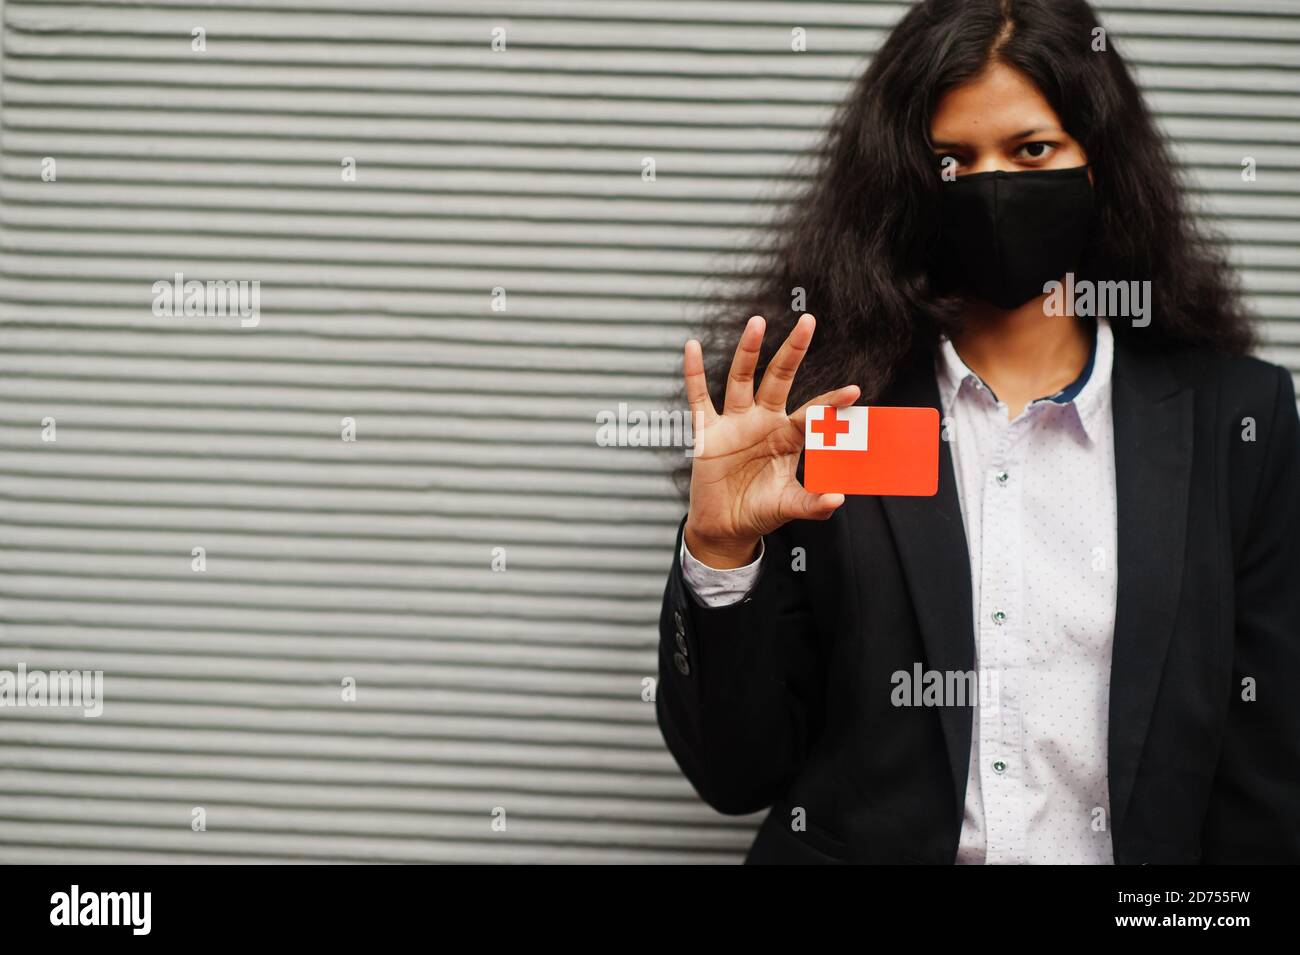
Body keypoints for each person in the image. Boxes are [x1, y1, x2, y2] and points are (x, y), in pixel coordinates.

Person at [655, 0, 1300, 864]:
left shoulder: (1237, 423)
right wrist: (721, 553)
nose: (990, 186)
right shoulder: (831, 414)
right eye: (951, 160)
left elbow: (1262, 787)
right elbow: (737, 773)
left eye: (1031, 151)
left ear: (1099, 161)